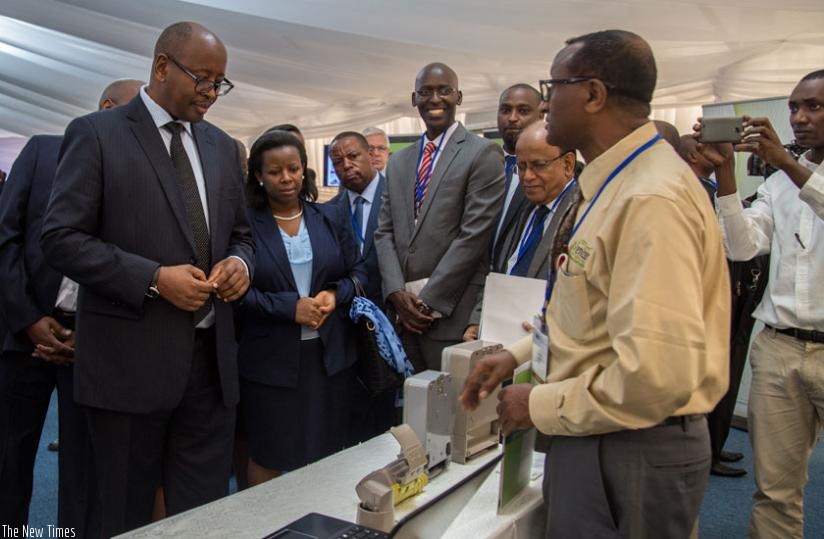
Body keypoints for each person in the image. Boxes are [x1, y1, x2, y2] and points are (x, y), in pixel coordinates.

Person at [461, 29, 730, 537]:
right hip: (603, 432)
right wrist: (518, 355)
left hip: (631, 444)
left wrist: (535, 404)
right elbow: (592, 310)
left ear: (593, 94)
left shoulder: (650, 199)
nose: (543, 103)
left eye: (553, 85)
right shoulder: (617, 182)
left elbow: (654, 378)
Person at [40, 22, 254, 537]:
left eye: (219, 83)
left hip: (210, 370)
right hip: (127, 369)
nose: (211, 93)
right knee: (122, 515)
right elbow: (61, 237)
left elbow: (244, 235)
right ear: (161, 67)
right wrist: (154, 279)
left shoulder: (223, 148)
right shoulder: (96, 134)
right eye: (202, 79)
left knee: (202, 516)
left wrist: (240, 266)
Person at [0, 78, 142, 537]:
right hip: (25, 335)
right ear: (105, 108)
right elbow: (5, 240)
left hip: (94, 340)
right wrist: (27, 321)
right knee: (9, 456)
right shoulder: (43, 151)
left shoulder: (141, 174)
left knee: (84, 469)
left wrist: (96, 331)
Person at [695, 69, 824, 538]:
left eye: (815, 106)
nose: (800, 118)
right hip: (780, 350)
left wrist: (788, 165)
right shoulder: (776, 184)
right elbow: (742, 247)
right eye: (794, 107)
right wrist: (726, 172)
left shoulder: (788, 174)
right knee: (775, 492)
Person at [235, 131, 366, 485]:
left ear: (305, 169)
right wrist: (288, 308)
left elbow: (360, 272)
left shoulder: (329, 218)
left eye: (294, 168)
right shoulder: (244, 224)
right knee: (269, 455)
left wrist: (335, 295)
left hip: (329, 361)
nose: (286, 178)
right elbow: (233, 293)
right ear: (259, 175)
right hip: (269, 364)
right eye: (275, 171)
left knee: (325, 455)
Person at [374, 62, 505, 371]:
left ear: (458, 97)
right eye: (426, 92)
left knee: (453, 416)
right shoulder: (399, 161)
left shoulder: (482, 153)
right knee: (414, 410)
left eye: (444, 91)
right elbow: (384, 232)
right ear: (413, 99)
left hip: (452, 317)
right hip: (404, 317)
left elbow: (473, 237)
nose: (435, 99)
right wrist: (395, 293)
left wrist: (426, 302)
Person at [678, 134, 769, 478]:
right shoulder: (692, 194)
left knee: (725, 378)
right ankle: (707, 452)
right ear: (692, 153)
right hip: (705, 305)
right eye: (704, 146)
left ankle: (715, 446)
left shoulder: (716, 192)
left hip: (731, 300)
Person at [463, 121, 578, 341]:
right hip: (502, 341)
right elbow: (500, 269)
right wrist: (479, 320)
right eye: (522, 166)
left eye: (538, 165)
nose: (527, 177)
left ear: (568, 164)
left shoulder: (583, 215)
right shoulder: (525, 206)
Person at [327, 130, 396, 443]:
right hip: (347, 329)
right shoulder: (329, 211)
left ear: (371, 155)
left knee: (388, 420)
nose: (347, 166)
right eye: (338, 161)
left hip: (393, 324)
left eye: (353, 156)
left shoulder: (399, 197)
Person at [489, 84, 544, 270]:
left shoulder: (553, 172)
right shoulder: (482, 163)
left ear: (541, 115)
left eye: (523, 110)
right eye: (505, 110)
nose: (512, 118)